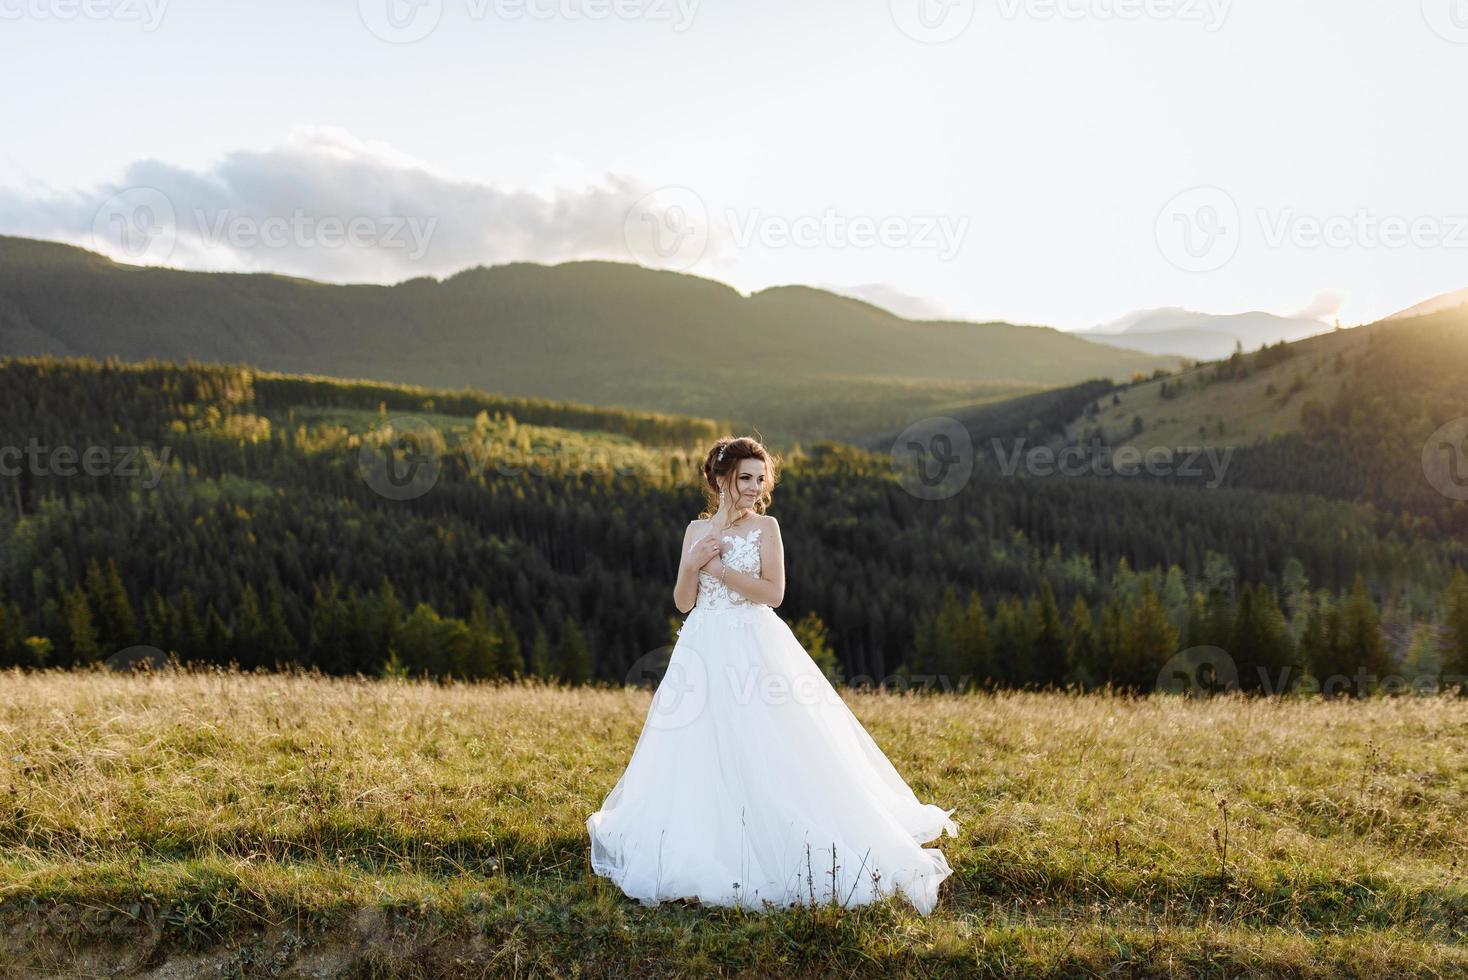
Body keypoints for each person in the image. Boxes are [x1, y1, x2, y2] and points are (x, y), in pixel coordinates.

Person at [586, 435, 959, 915]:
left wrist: (718, 570)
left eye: (761, 479)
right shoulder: (693, 531)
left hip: (756, 645)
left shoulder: (767, 528)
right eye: (745, 478)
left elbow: (773, 593)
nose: (754, 488)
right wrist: (694, 563)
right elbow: (683, 601)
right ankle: (706, 830)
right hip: (703, 645)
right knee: (699, 742)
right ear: (721, 479)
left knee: (770, 737)